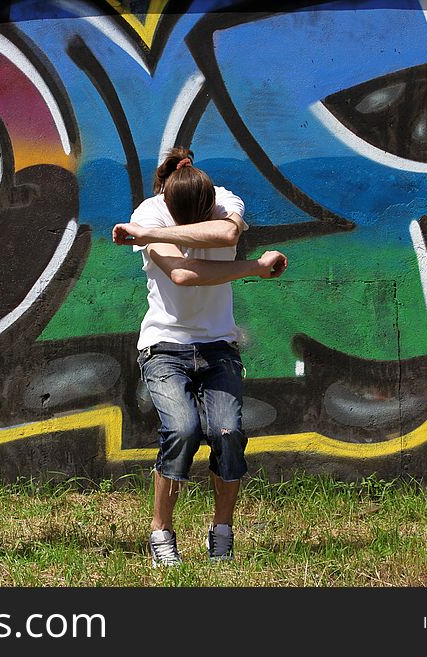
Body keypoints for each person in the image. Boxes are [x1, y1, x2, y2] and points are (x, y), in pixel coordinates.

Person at [112, 147, 287, 566]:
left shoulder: (225, 201)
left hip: (218, 345)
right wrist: (256, 267)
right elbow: (184, 275)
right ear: (169, 207)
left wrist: (147, 236)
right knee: (184, 430)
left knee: (228, 434)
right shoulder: (149, 213)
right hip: (164, 345)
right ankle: (161, 532)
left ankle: (222, 531)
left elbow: (227, 236)